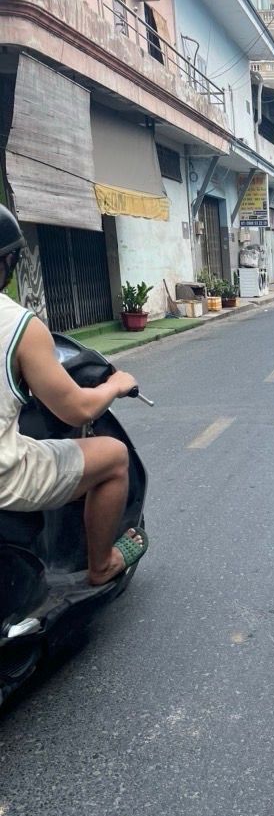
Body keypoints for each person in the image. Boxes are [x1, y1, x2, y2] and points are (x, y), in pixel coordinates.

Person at [0, 205, 147, 585]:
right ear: (10, 261)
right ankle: (102, 565)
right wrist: (114, 385)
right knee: (114, 457)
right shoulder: (19, 326)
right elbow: (77, 410)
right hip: (4, 479)